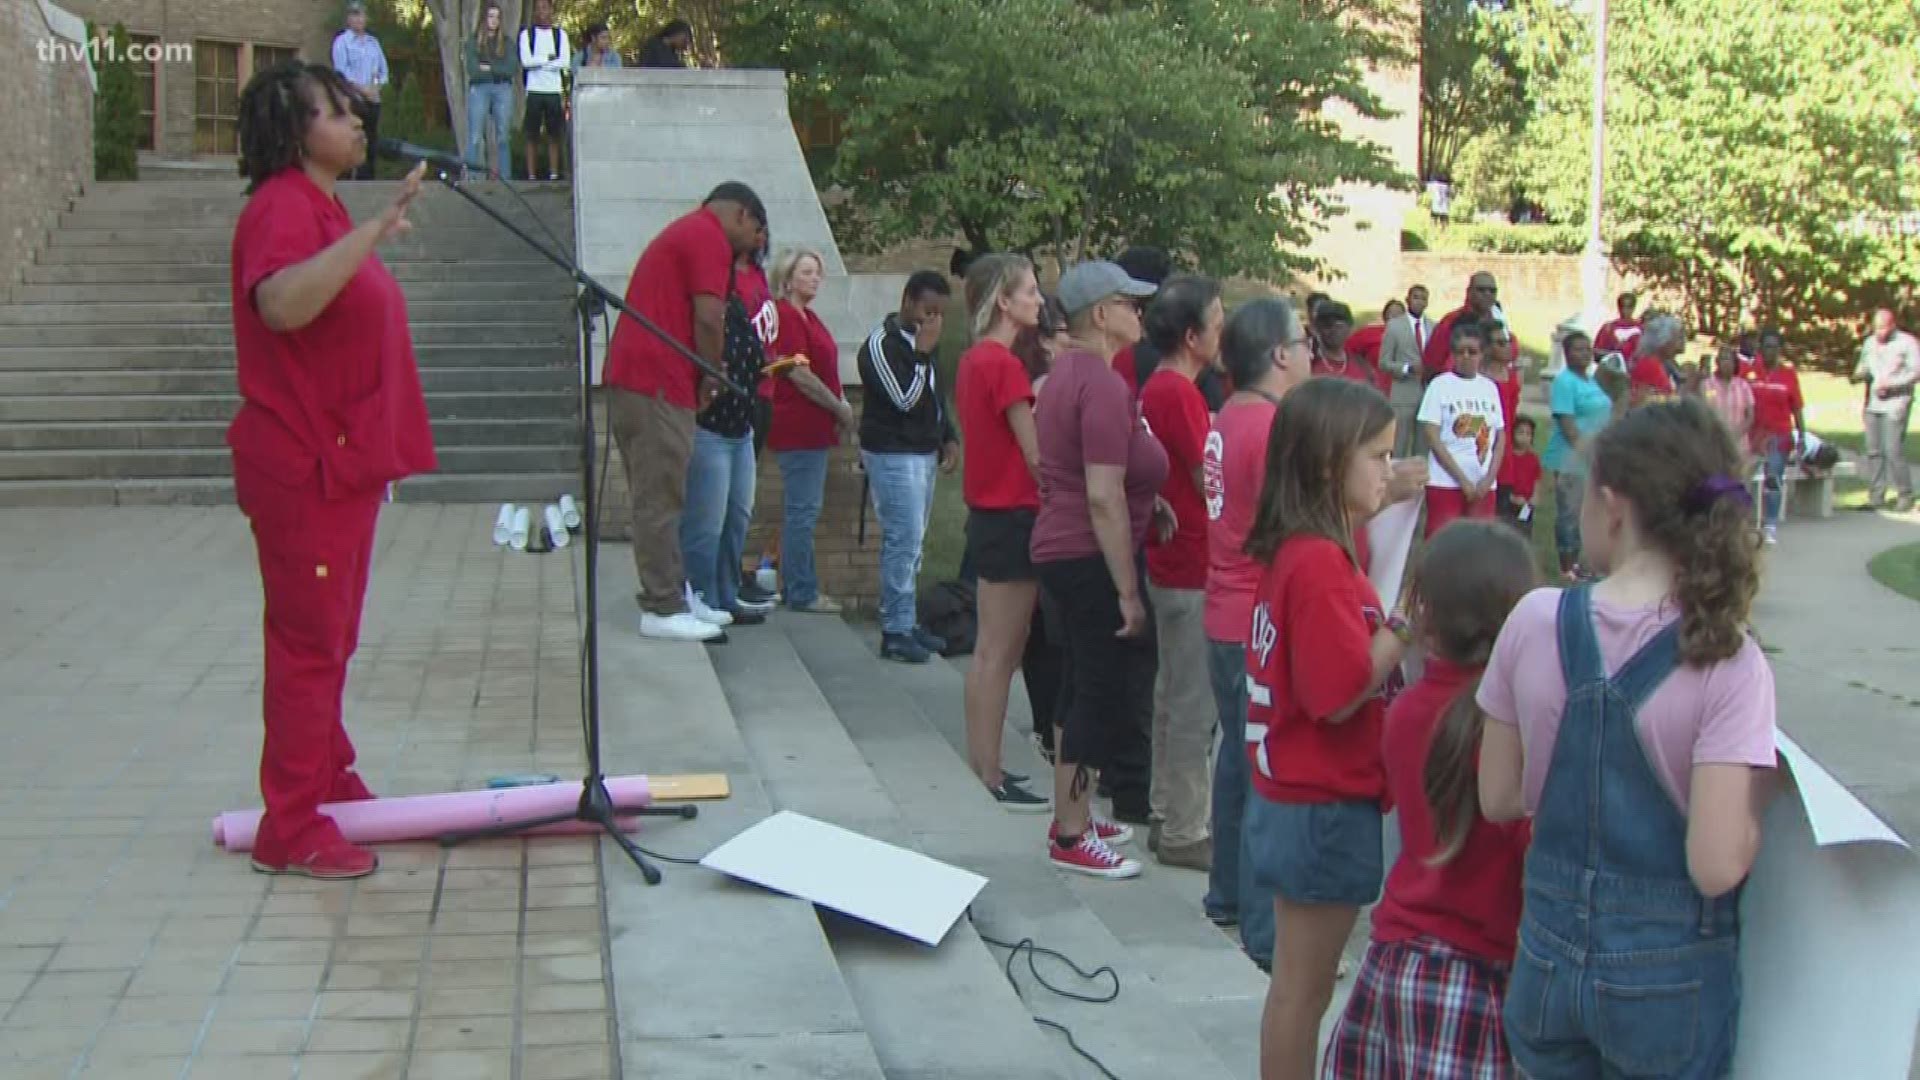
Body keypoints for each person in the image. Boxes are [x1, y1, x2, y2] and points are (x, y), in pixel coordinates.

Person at [1478, 398, 1779, 1079]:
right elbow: (1714, 865)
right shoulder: (1730, 659)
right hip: (1668, 983)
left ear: (1612, 505)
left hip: (1548, 961)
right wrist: (1759, 810)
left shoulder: (1533, 619)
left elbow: (1496, 796)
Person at [229, 61, 436, 879]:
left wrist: (366, 228)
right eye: (338, 112)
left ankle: (327, 774)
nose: (357, 123)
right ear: (294, 128)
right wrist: (372, 232)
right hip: (301, 461)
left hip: (341, 462)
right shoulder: (283, 207)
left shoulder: (320, 207)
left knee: (334, 634)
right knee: (308, 642)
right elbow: (281, 305)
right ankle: (290, 825)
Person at [1322, 520, 1536, 1080]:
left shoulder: (1408, 712)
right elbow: (1531, 850)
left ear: (1427, 617)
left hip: (1395, 956)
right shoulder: (1513, 730)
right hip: (1476, 973)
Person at [1244, 377, 1406, 1080]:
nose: (1388, 471)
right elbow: (1337, 694)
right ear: (1324, 466)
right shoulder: (1316, 563)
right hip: (1320, 800)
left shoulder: (1304, 549)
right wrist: (1404, 627)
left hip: (1296, 796)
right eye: (1377, 456)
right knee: (1304, 992)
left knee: (1295, 987)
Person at [1031, 260, 1162, 879]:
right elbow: (1102, 494)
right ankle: (1072, 832)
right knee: (1094, 687)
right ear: (1102, 315)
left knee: (1076, 682)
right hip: (1088, 555)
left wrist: (1150, 500)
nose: (1141, 314)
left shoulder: (1067, 373)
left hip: (1064, 548)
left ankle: (1072, 810)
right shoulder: (1102, 385)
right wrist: (1128, 589)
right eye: (1130, 304)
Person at [1201, 298, 1315, 970]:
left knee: (1237, 762)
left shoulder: (1230, 415)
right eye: (1300, 342)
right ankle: (1264, 931)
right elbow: (1291, 524)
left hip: (1224, 610)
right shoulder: (1271, 426)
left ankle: (1225, 893)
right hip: (1253, 618)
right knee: (1266, 769)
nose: (1308, 353)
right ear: (1278, 353)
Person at [604, 182, 766, 642]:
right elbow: (709, 317)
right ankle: (662, 605)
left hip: (653, 380)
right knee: (659, 495)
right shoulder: (707, 237)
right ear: (739, 214)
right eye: (755, 227)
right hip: (654, 381)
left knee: (672, 492)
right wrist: (712, 375)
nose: (755, 240)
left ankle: (677, 592)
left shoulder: (693, 233)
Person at [1137, 274, 1226, 868]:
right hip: (1191, 564)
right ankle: (1186, 827)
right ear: (1192, 336)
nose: (1224, 332)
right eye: (1216, 323)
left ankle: (1164, 808)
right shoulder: (1182, 396)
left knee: (1171, 693)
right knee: (1194, 703)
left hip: (1168, 564)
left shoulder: (1157, 388)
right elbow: (1205, 480)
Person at [955, 254, 1049, 810]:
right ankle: (989, 771)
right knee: (999, 652)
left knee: (991, 650)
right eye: (1030, 291)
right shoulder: (1006, 367)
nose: (1039, 300)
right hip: (1014, 515)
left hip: (989, 515)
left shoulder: (972, 361)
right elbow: (1036, 454)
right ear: (1003, 301)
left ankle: (985, 765)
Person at [858, 271, 959, 663]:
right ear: (907, 301)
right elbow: (904, 399)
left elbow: (932, 396)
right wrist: (921, 353)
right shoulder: (881, 346)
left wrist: (947, 434)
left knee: (914, 542)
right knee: (901, 540)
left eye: (939, 313)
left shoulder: (924, 344)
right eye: (926, 310)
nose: (932, 320)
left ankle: (907, 618)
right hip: (892, 453)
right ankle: (895, 630)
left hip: (922, 453)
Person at [681, 230, 778, 629]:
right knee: (707, 520)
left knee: (738, 515)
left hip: (743, 426)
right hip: (712, 428)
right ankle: (697, 594)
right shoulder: (705, 309)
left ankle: (725, 591)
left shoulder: (738, 305)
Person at [766, 247, 853, 614]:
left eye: (817, 272)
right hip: (797, 425)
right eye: (806, 272)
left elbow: (826, 366)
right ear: (787, 279)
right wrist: (838, 407)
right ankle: (801, 590)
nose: (815, 278)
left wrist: (840, 402)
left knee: (803, 509)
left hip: (816, 427)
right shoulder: (786, 316)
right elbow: (797, 372)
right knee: (802, 509)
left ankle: (798, 583)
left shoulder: (810, 317)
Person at [1023, 295, 1071, 763]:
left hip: (1048, 519)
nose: (1070, 343)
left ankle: (1048, 726)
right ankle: (1048, 727)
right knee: (1046, 632)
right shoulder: (1042, 389)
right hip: (1047, 520)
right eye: (1063, 335)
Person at [1419, 322, 1505, 538]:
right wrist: (1462, 480)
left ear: (1482, 354)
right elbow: (1432, 435)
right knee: (1443, 539)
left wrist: (1489, 478)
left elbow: (1499, 436)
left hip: (1483, 482)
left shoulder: (1489, 388)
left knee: (1479, 541)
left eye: (1472, 351)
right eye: (1460, 351)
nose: (1466, 356)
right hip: (1446, 481)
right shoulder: (1440, 385)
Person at [1543, 330, 1612, 580]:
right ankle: (1566, 566)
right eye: (1578, 349)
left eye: (1588, 348)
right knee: (1570, 512)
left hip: (1595, 455)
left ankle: (1585, 562)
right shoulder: (1564, 382)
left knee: (1590, 512)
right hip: (1571, 457)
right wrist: (1586, 453)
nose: (1585, 353)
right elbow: (1567, 424)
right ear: (1566, 353)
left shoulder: (1592, 380)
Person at [1742, 327, 1805, 545]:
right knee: (1745, 477)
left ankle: (1770, 524)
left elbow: (1796, 407)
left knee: (1773, 478)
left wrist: (1802, 436)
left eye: (1775, 347)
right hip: (1753, 434)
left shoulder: (1788, 375)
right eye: (1766, 347)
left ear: (1780, 349)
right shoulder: (1750, 372)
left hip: (1780, 434)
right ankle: (1745, 522)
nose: (1770, 351)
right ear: (1760, 348)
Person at [1851, 308, 1917, 511]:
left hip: (1896, 403)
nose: (1879, 332)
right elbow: (1863, 366)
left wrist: (1892, 384)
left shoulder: (1907, 343)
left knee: (1892, 449)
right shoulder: (1870, 343)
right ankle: (1876, 496)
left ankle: (1905, 494)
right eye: (1876, 327)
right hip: (1873, 404)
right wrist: (1858, 374)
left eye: (1883, 328)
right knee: (1874, 451)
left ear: (1893, 325)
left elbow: (1916, 372)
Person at [331, 2, 388, 181]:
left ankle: (367, 179)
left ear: (366, 18)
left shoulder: (373, 43)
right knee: (349, 138)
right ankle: (345, 179)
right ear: (348, 19)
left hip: (373, 100)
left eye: (361, 15)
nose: (358, 19)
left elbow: (383, 71)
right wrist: (362, 90)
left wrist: (375, 87)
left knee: (370, 140)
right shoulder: (342, 42)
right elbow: (342, 72)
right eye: (354, 15)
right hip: (353, 99)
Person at [1421, 272, 1513, 382]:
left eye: (1492, 291)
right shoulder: (1452, 321)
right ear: (1469, 292)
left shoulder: (1500, 320)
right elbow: (1433, 363)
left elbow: (1510, 357)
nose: (1487, 294)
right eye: (1481, 290)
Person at [463, 3, 518, 180]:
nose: (493, 21)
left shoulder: (507, 43)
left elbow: (511, 69)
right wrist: (495, 68)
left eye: (497, 17)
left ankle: (505, 179)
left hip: (502, 88)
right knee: (475, 137)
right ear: (484, 19)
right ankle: (473, 178)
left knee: (503, 137)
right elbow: (473, 69)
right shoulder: (473, 42)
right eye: (490, 16)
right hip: (479, 89)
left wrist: (489, 67)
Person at [518, 0, 570, 182]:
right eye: (538, 8)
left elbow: (564, 62)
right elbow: (526, 62)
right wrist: (548, 59)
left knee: (554, 134)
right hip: (534, 90)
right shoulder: (527, 35)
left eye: (545, 8)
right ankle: (531, 175)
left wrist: (538, 62)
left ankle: (554, 173)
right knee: (531, 134)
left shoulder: (560, 35)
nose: (541, 12)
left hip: (553, 91)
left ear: (551, 10)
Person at [1381, 285, 1434, 456]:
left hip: (1427, 393)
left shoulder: (1433, 327)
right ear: (1408, 300)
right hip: (1403, 394)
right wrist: (1407, 368)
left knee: (1422, 447)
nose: (1419, 302)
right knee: (1398, 446)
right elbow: (1384, 362)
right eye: (1416, 297)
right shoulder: (1395, 326)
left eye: (1423, 298)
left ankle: (1418, 481)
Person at [1701, 346, 1754, 451]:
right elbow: (1702, 413)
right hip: (1714, 445)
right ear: (1717, 363)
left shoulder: (1743, 386)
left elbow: (1750, 416)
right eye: (1723, 359)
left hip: (1738, 446)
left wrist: (1736, 434)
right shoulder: (1707, 385)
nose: (1726, 363)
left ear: (1735, 364)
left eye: (1729, 360)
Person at [1497, 416, 1542, 536]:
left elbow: (1537, 478)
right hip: (1510, 501)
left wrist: (1535, 497)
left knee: (1524, 531)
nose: (1524, 437)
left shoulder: (1533, 458)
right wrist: (1511, 497)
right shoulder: (1508, 458)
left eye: (1528, 434)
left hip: (1527, 503)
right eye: (1520, 433)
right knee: (1507, 529)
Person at [1628, 313, 1684, 408]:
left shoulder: (1657, 364)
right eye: (1676, 339)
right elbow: (1640, 403)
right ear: (1663, 341)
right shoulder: (1649, 365)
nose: (1678, 346)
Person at [1594, 291, 1643, 358]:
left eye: (1629, 306)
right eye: (1622, 306)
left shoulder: (1642, 328)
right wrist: (1615, 354)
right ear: (1618, 307)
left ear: (1634, 307)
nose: (1625, 310)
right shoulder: (1608, 328)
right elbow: (1596, 352)